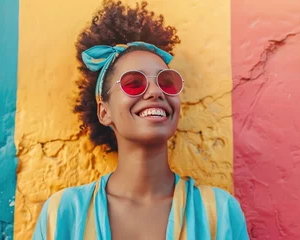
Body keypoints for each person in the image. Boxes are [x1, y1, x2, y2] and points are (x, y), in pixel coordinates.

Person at [32, 1, 249, 239]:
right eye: (134, 83)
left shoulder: (218, 213)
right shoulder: (64, 214)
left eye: (167, 82)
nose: (156, 92)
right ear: (104, 112)